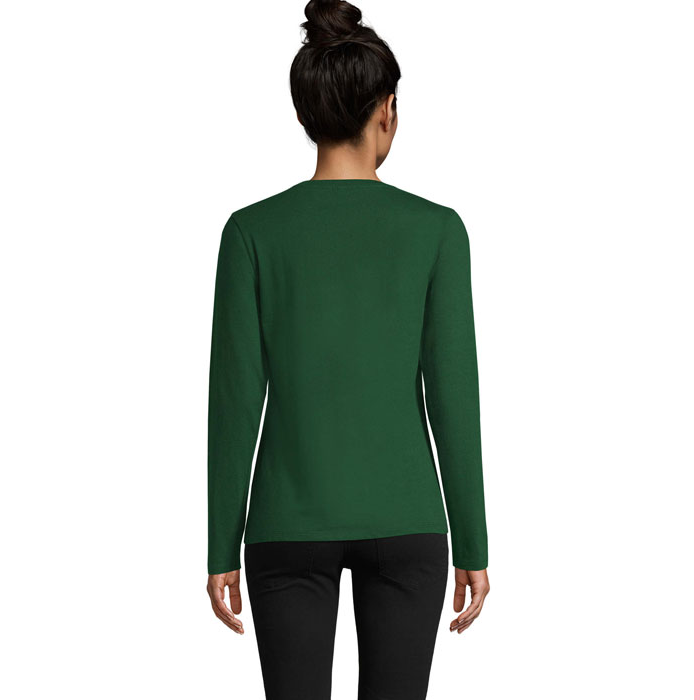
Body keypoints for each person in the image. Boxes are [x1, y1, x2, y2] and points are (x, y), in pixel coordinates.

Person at [206, 1, 490, 698]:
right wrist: (473, 543)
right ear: (387, 110)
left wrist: (219, 547)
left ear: (306, 114)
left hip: (285, 524)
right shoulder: (437, 231)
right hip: (408, 520)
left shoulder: (251, 233)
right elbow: (454, 398)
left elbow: (234, 403)